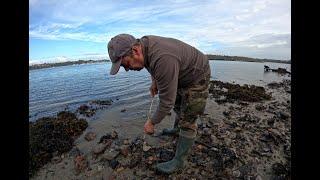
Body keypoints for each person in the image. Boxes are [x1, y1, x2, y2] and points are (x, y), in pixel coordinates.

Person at [107, 34, 211, 174]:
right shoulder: (144, 46)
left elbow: (167, 102)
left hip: (197, 75)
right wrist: (154, 82)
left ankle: (179, 162)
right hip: (179, 70)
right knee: (179, 102)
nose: (126, 69)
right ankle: (176, 130)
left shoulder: (163, 58)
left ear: (135, 51)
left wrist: (152, 122)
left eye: (125, 64)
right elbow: (151, 65)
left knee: (189, 118)